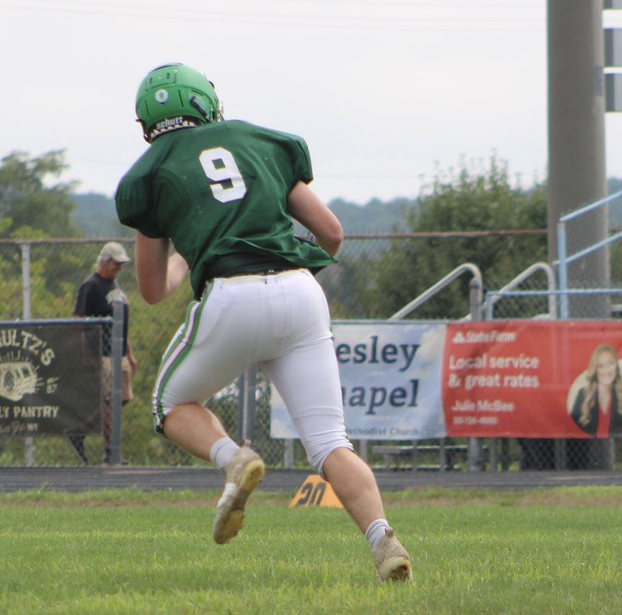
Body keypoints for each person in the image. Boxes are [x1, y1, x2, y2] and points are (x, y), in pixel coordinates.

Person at [115, 63, 411, 582]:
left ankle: (234, 459)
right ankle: (384, 541)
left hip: (230, 294)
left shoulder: (149, 173)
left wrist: (190, 254)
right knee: (330, 442)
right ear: (206, 103)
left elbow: (154, 289)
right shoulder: (261, 141)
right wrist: (285, 269)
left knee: (170, 403)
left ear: (147, 123)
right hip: (301, 293)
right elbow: (332, 233)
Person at [69, 241, 138, 464]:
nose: (119, 268)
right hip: (102, 351)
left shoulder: (114, 284)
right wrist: (87, 353)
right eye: (116, 263)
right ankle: (111, 452)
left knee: (122, 398)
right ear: (105, 262)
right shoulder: (91, 285)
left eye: (121, 264)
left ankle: (79, 430)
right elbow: (78, 321)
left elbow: (121, 321)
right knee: (109, 400)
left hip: (120, 351)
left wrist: (130, 352)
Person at [568, 344, 622, 439]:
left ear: (617, 366)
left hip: (615, 447)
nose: (607, 371)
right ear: (595, 369)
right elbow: (571, 430)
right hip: (587, 446)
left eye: (611, 363)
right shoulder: (582, 394)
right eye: (601, 366)